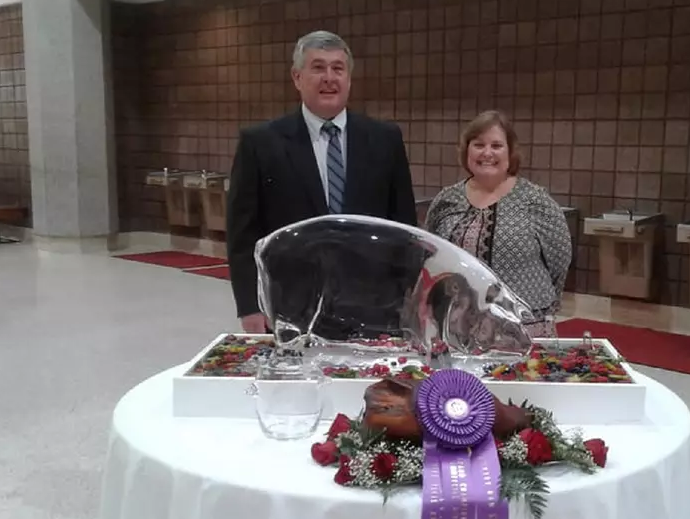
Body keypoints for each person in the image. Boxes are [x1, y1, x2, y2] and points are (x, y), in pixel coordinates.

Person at [226, 30, 418, 333]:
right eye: (318, 67)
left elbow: (404, 227)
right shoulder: (260, 143)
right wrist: (249, 305)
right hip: (289, 306)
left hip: (374, 304)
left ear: (349, 79)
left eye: (337, 68)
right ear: (297, 77)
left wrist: (409, 297)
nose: (329, 77)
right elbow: (243, 235)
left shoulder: (385, 140)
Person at [424, 110, 572, 338]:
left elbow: (559, 261)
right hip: (459, 327)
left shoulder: (535, 200)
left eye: (496, 146)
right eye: (478, 144)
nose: (487, 153)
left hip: (524, 329)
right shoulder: (446, 200)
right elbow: (431, 256)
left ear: (510, 152)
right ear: (467, 151)